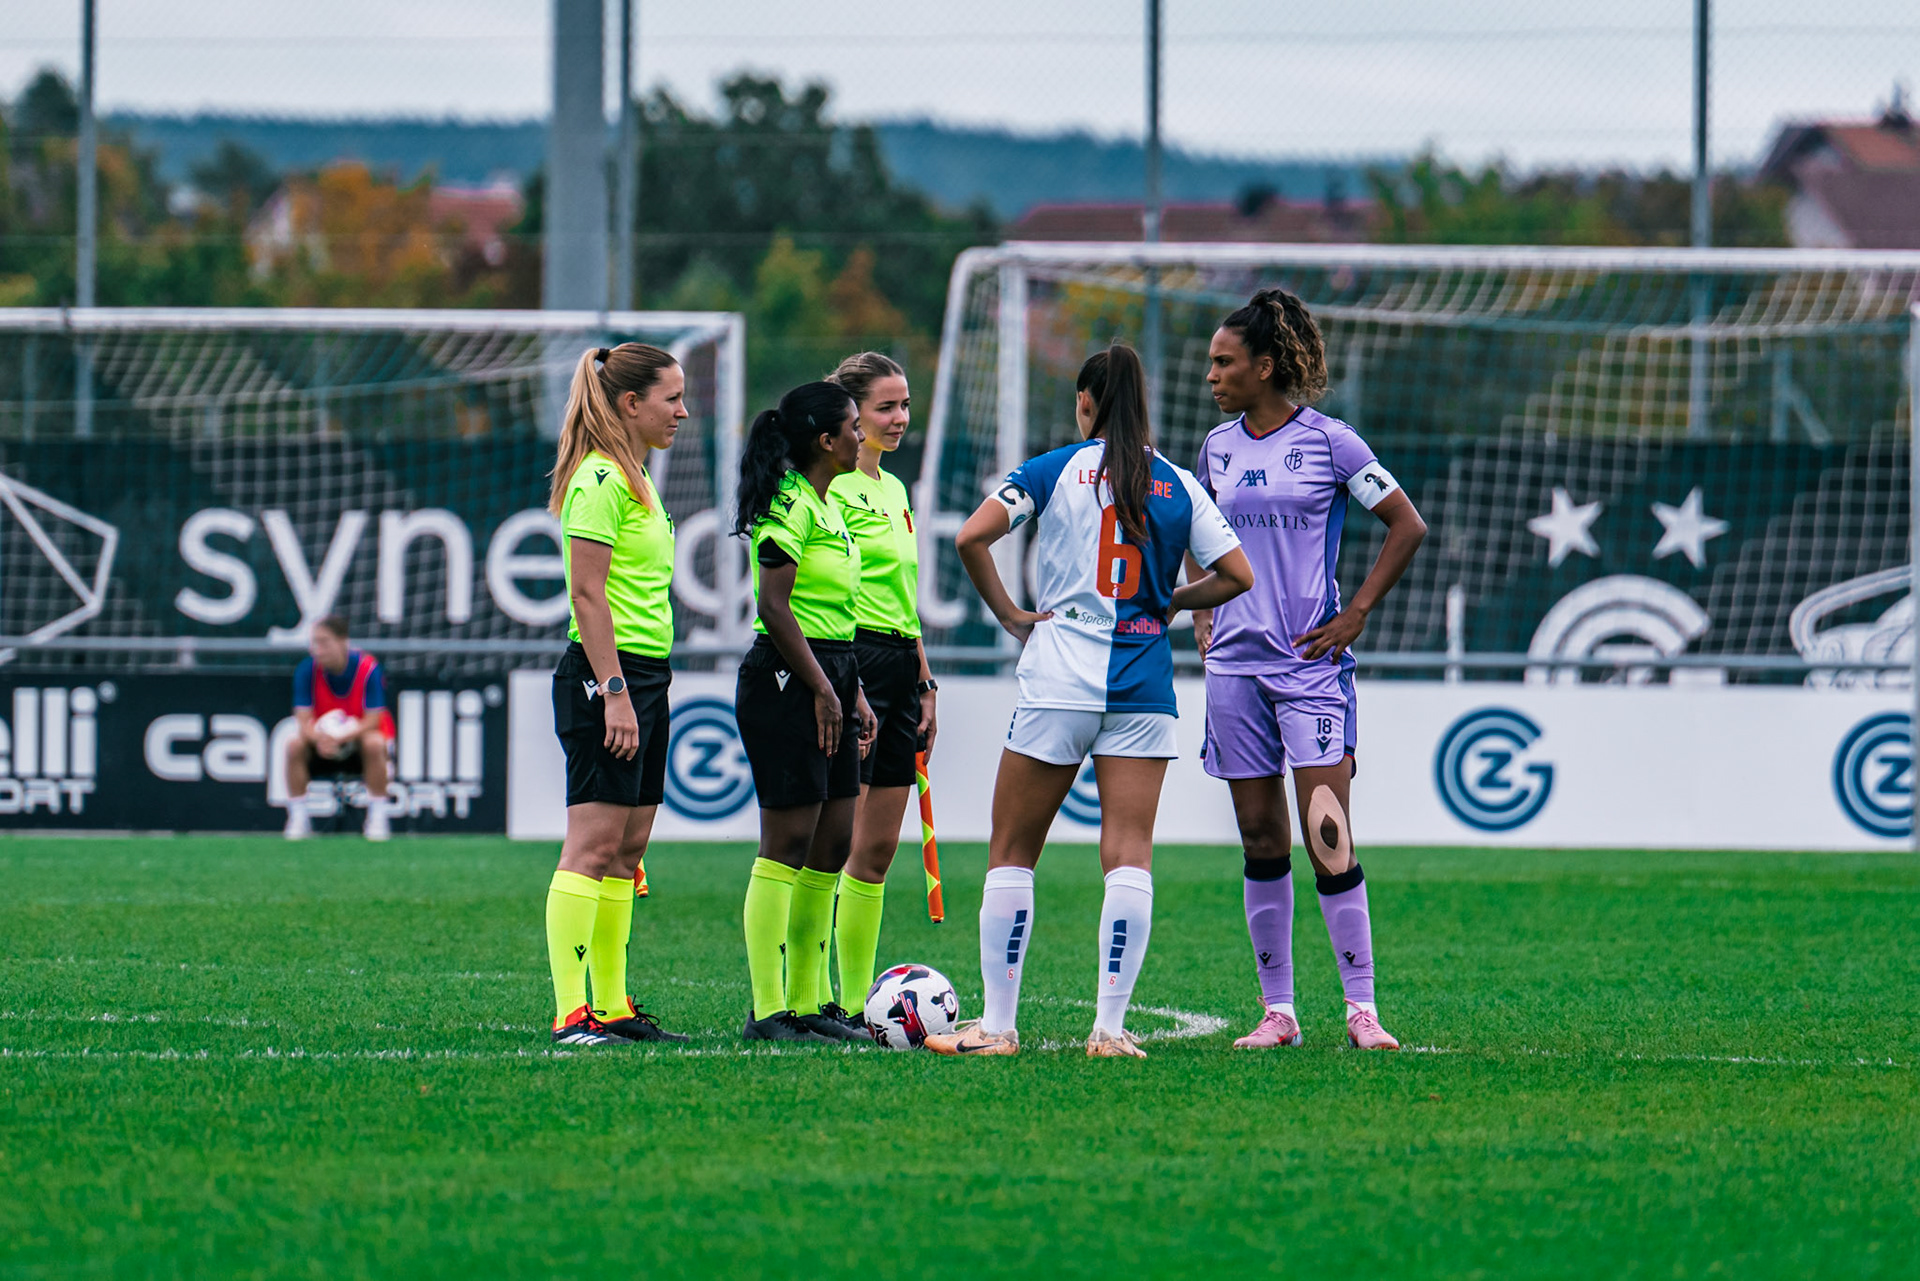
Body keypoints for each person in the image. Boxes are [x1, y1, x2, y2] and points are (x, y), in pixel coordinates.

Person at [928, 343, 1253, 1059]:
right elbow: (1237, 573)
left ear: (1085, 403)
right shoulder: (1176, 484)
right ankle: (1109, 1028)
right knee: (1128, 856)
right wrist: (1169, 600)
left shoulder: (1053, 469)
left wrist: (1013, 613)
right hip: (1142, 684)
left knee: (1013, 852)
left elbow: (972, 536)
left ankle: (999, 1026)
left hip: (1059, 678)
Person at [1192, 288, 1427, 1052]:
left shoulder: (1332, 443)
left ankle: (1362, 1009)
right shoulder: (1216, 449)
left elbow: (1405, 523)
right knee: (1262, 839)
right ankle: (1279, 1012)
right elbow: (1203, 539)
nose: (1213, 376)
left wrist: (1355, 611)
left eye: (1224, 363)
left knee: (1327, 833)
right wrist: (1202, 612)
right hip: (1233, 668)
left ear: (1264, 366)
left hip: (1308, 666)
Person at [543, 343, 692, 1047]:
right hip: (608, 677)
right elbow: (586, 594)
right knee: (592, 846)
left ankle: (611, 1005)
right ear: (631, 404)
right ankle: (573, 1013)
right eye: (671, 398)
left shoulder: (636, 478)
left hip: (646, 675)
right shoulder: (599, 478)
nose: (682, 412)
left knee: (628, 850)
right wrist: (614, 692)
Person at [734, 381, 879, 1044]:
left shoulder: (829, 503)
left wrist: (851, 691)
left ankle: (809, 1000)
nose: (862, 436)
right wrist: (822, 687)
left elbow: (833, 615)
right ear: (826, 439)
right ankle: (769, 1009)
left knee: (834, 841)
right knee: (787, 842)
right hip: (788, 681)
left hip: (830, 676)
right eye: (853, 426)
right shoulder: (790, 500)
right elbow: (774, 604)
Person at [821, 352, 936, 1019]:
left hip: (900, 662)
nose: (899, 419)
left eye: (905, 405)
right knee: (835, 840)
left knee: (877, 849)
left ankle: (860, 999)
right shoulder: (829, 487)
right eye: (886, 406)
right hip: (852, 659)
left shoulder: (894, 489)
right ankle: (816, 994)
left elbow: (903, 592)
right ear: (852, 413)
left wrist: (925, 678)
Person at [283, 615, 395, 842]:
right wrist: (321, 739)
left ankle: (377, 817)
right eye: (315, 642)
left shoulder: (367, 669)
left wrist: (340, 737)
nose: (318, 649)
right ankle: (298, 817)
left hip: (358, 745)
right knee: (294, 744)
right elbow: (303, 719)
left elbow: (373, 720)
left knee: (374, 742)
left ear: (343, 641)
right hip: (322, 747)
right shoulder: (307, 670)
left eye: (324, 642)